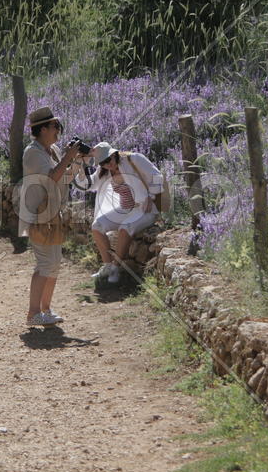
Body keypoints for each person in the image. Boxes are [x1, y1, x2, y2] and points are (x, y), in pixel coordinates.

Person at [18, 106, 82, 326]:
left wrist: (78, 160)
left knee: (54, 264)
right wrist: (69, 156)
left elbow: (65, 178)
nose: (58, 130)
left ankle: (45, 310)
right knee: (45, 263)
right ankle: (33, 313)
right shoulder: (32, 152)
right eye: (55, 126)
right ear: (43, 129)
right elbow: (51, 178)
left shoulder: (52, 150)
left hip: (52, 214)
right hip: (39, 216)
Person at [79, 142, 162, 284]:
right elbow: (86, 186)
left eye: (108, 159)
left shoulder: (133, 159)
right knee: (97, 226)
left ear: (114, 154)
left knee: (125, 228)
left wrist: (151, 196)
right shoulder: (104, 171)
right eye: (102, 162)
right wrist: (81, 164)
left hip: (144, 209)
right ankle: (107, 266)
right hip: (124, 209)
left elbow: (157, 176)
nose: (107, 164)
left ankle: (115, 269)